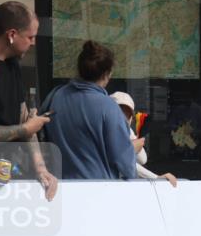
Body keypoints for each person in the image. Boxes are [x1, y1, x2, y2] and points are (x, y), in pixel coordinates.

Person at [0, 1, 57, 199]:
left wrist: (41, 168)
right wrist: (25, 129)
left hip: (12, 172)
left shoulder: (13, 66)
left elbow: (26, 119)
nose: (33, 42)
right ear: (11, 35)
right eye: (30, 36)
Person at [41, 41, 136, 180]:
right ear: (107, 74)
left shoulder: (55, 96)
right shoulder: (109, 107)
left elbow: (40, 137)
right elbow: (125, 163)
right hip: (98, 191)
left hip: (58, 189)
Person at [110, 91, 176, 186]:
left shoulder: (127, 132)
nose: (123, 118)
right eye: (119, 112)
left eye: (128, 114)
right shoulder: (105, 132)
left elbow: (142, 159)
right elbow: (124, 161)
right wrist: (156, 178)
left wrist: (130, 143)